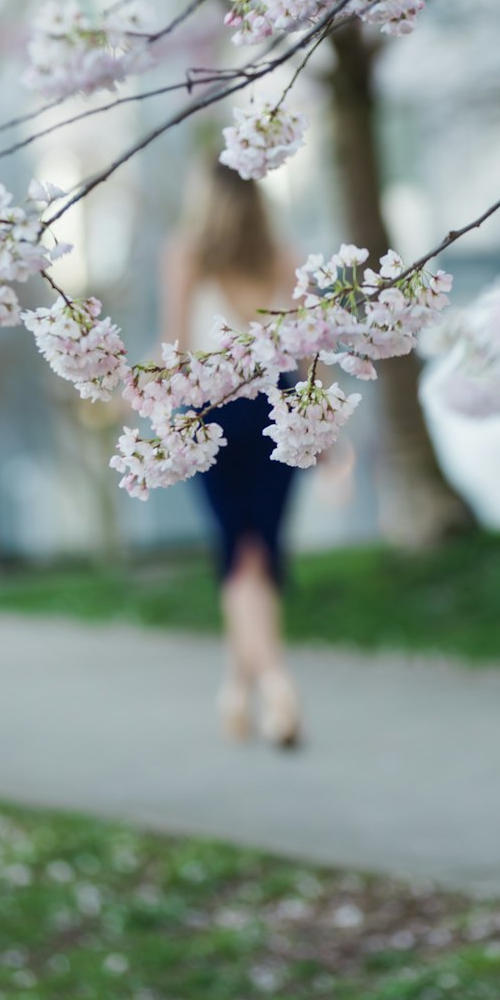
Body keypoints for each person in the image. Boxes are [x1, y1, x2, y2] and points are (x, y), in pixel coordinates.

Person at [161, 159, 303, 747]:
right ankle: (237, 691)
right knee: (256, 555)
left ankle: (275, 685)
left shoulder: (186, 253)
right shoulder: (286, 258)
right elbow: (302, 350)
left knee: (240, 555)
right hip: (279, 411)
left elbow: (174, 344)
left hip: (209, 409)